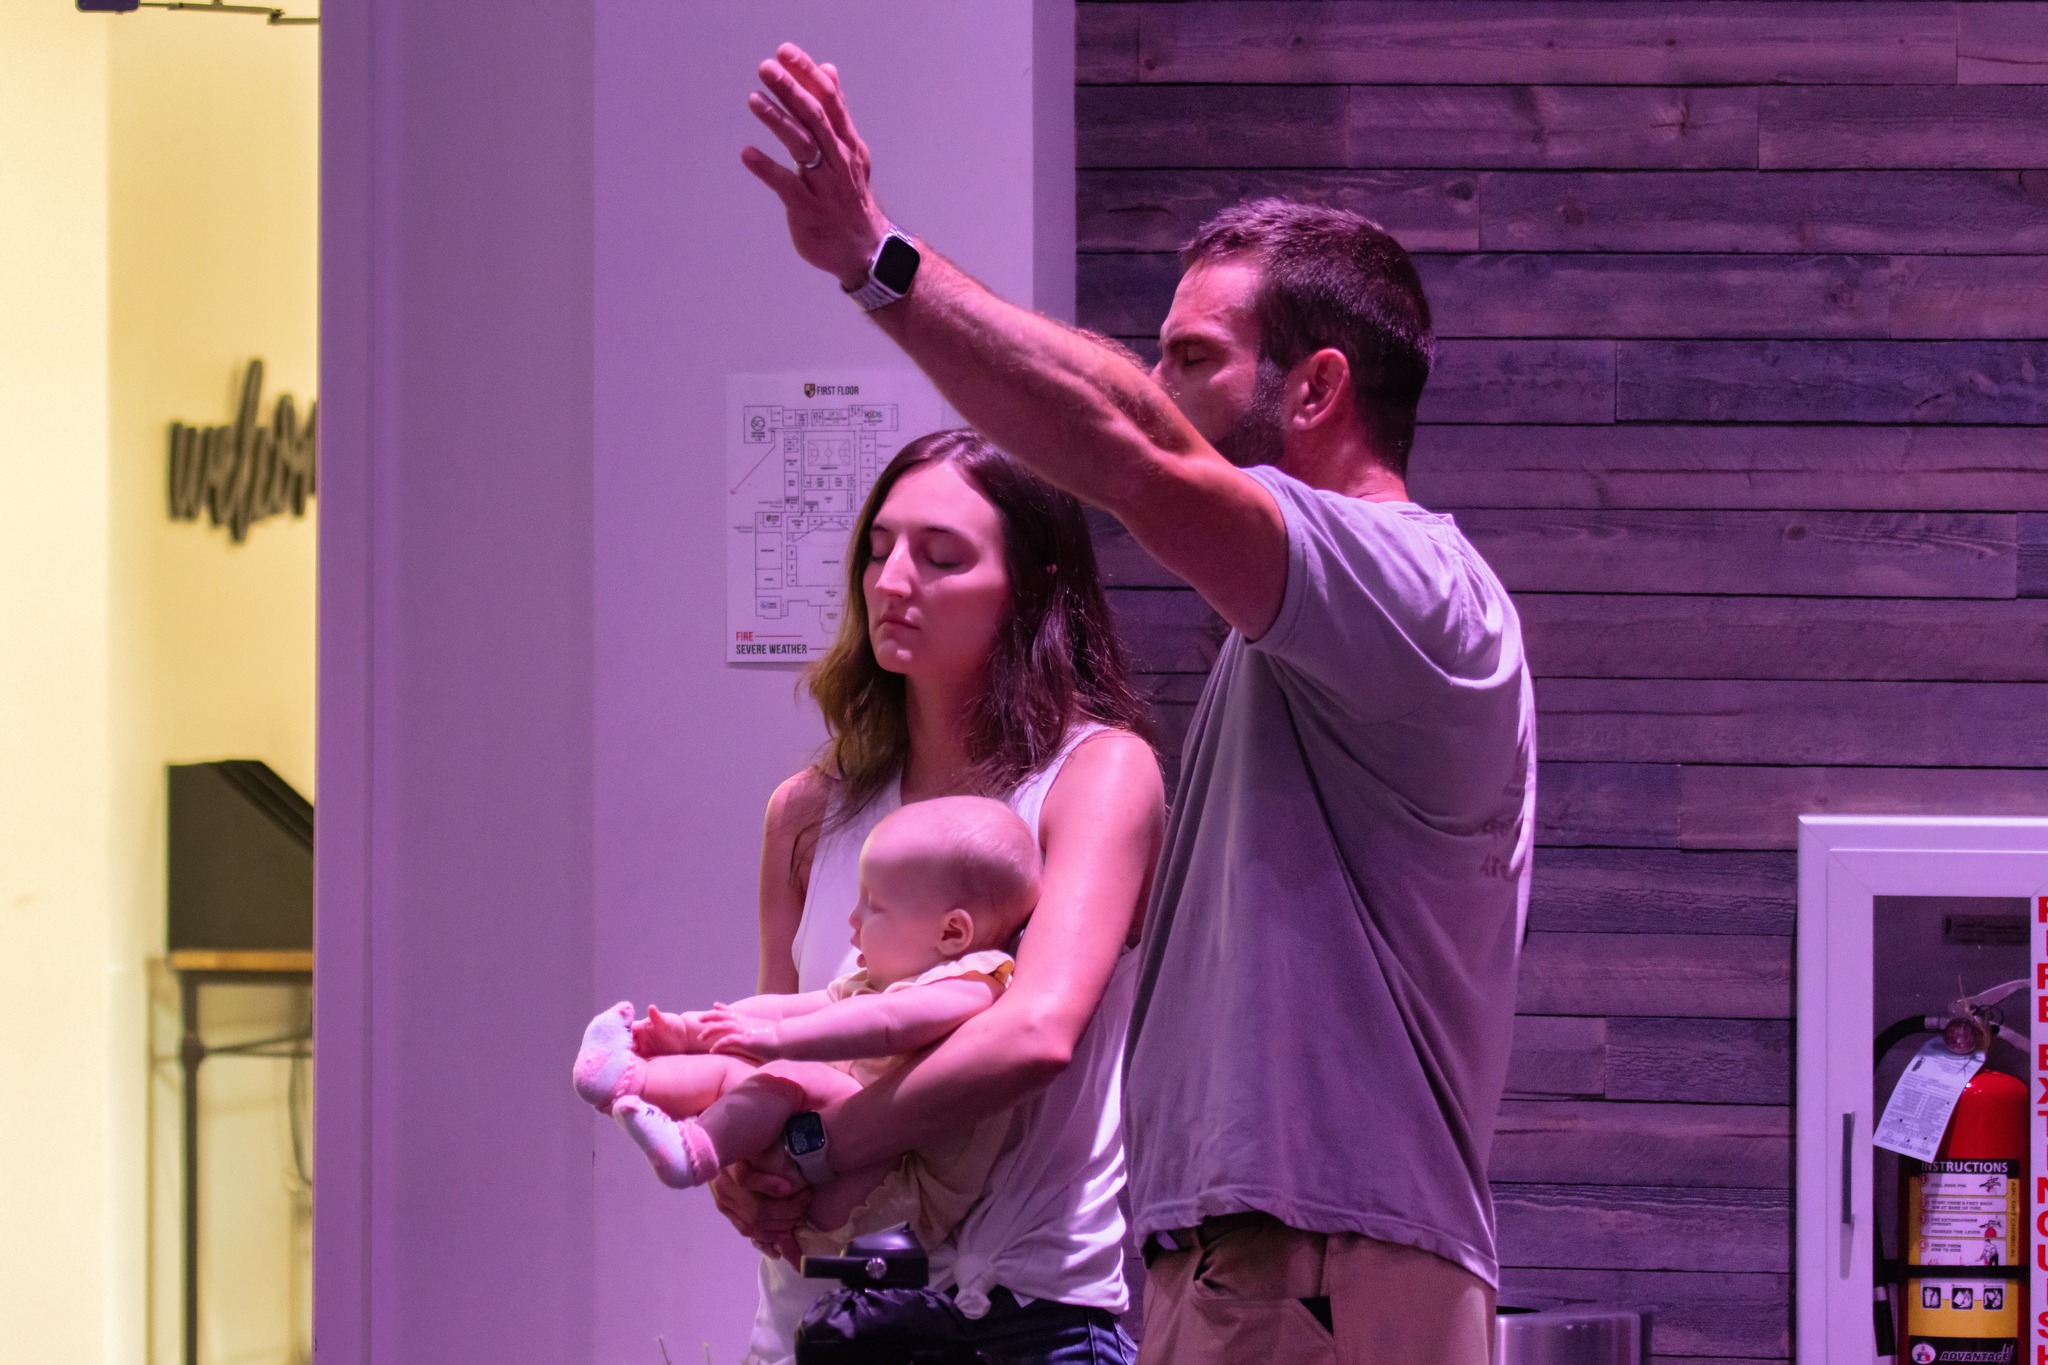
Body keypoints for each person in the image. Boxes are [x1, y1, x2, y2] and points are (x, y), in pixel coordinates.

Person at [736, 46, 1535, 1365]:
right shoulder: (1294, 653)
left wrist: (877, 259)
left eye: (1192, 359)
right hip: (1248, 1266)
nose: (1161, 392)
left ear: (1319, 388)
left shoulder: (1411, 585)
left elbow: (1132, 450)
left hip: (1311, 1264)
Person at [703, 428, 1163, 1365]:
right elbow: (773, 1045)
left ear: (1030, 587)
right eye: (879, 548)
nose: (891, 579)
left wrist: (812, 1145)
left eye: (940, 556)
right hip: (811, 1326)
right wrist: (735, 1166)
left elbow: (1036, 1030)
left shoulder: (1097, 775)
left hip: (1018, 1319)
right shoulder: (808, 809)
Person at [572, 796, 1039, 1262]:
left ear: (952, 933)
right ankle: (627, 1079)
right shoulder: (881, 980)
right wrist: (695, 1030)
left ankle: (695, 1148)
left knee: (789, 1073)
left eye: (874, 906)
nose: (853, 920)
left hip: (902, 1193)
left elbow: (887, 1024)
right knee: (744, 1071)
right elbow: (786, 1009)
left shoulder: (975, 984)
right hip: (841, 1167)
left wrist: (776, 1042)